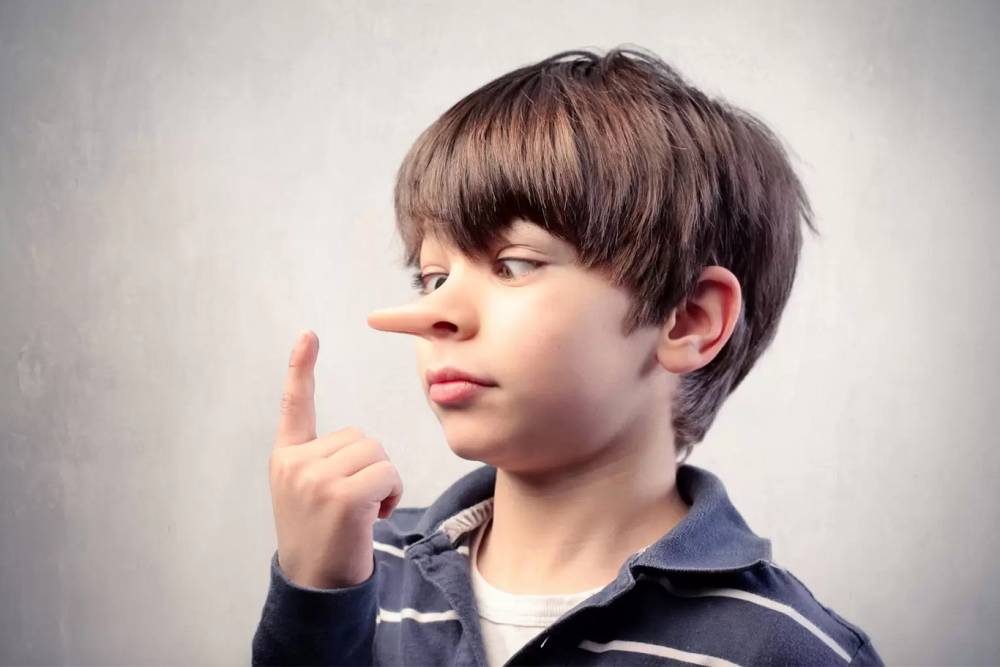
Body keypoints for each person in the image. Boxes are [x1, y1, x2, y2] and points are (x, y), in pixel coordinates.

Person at [252, 45, 885, 666]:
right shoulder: (357, 569)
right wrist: (316, 599)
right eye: (432, 277)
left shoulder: (791, 650)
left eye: (514, 265)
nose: (431, 314)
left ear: (689, 319)